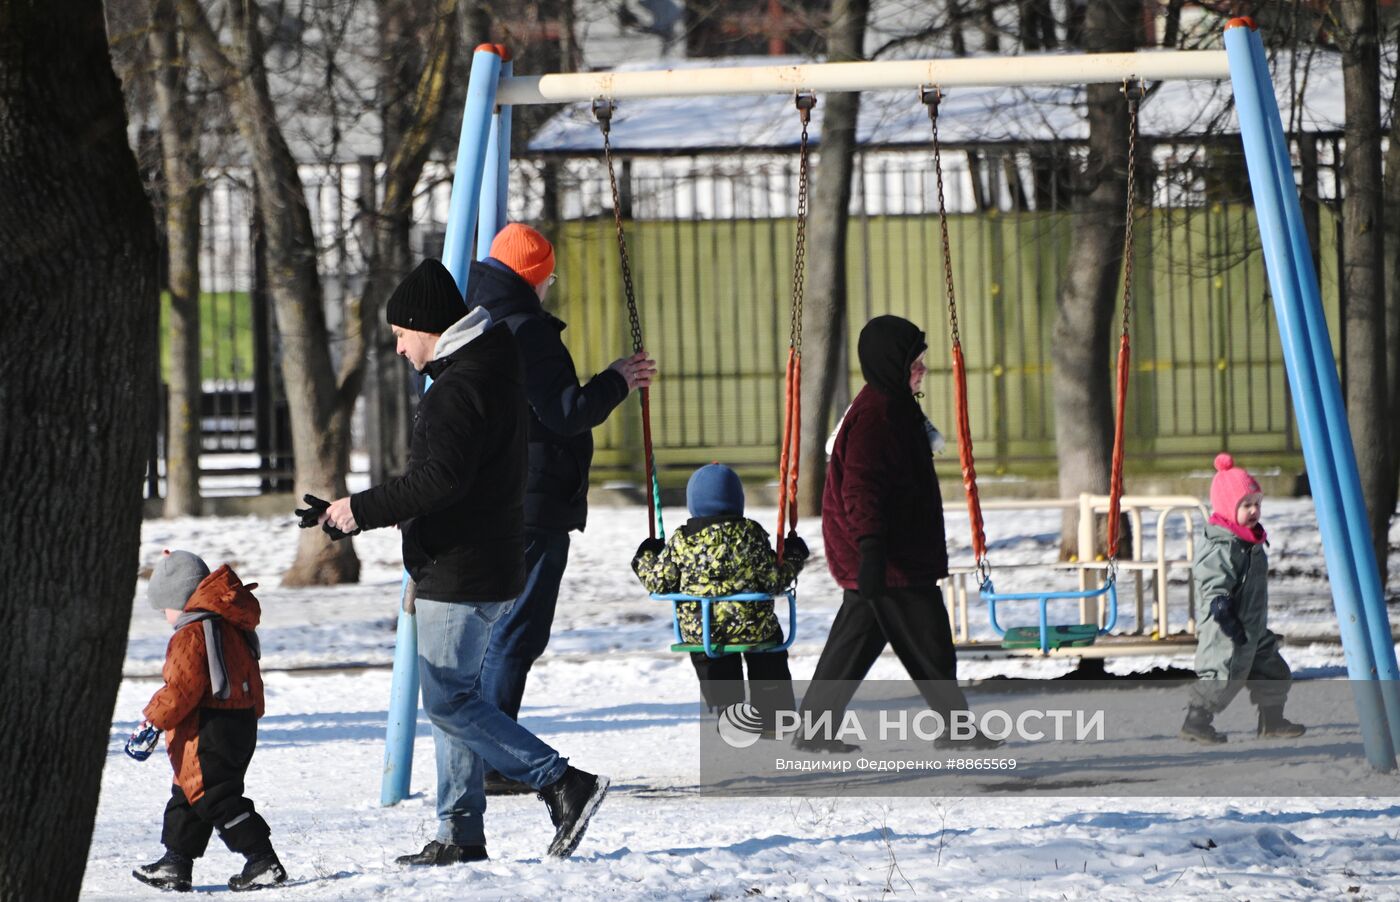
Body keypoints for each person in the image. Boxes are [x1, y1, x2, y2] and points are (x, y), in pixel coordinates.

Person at [312, 258, 608, 864]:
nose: (399, 348)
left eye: (402, 334)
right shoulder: (488, 365)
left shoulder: (460, 385)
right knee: (458, 702)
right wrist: (375, 510)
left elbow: (438, 480)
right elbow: (456, 477)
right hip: (482, 556)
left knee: (449, 701)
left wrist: (358, 510)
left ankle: (560, 781)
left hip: (462, 565)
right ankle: (460, 833)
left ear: (427, 327)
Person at [463, 223, 655, 793]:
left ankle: (484, 755)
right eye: (547, 276)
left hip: (495, 494)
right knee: (516, 631)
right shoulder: (528, 330)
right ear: (536, 277)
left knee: (495, 630)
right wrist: (616, 380)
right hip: (536, 497)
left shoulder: (477, 320)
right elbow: (566, 412)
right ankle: (495, 759)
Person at [796, 315, 998, 752]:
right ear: (892, 364)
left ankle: (814, 731)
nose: (923, 369)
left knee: (854, 645)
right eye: (915, 362)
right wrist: (870, 549)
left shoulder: (894, 406)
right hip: (889, 558)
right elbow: (861, 489)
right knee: (930, 644)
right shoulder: (878, 416)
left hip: (888, 555)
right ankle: (957, 729)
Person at [131, 550, 287, 893]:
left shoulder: (191, 633)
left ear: (180, 598)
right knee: (187, 793)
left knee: (215, 796)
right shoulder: (229, 623)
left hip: (209, 726)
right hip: (237, 722)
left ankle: (262, 860)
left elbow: (180, 689)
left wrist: (152, 722)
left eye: (164, 608)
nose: (164, 616)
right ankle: (175, 863)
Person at [632, 463, 809, 732]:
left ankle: (728, 710)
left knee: (708, 651)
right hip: (752, 628)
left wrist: (645, 556)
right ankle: (774, 712)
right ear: (738, 501)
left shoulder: (681, 540)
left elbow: (658, 582)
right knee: (768, 648)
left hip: (703, 630)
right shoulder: (751, 534)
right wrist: (794, 555)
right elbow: (774, 580)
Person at [1179, 453, 1305, 744]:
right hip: (1226, 626)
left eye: (1257, 503)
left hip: (1253, 625)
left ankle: (1272, 720)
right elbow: (1211, 579)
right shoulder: (1221, 544)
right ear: (1227, 507)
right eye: (1246, 505)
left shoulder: (1250, 540)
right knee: (1222, 673)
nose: (1254, 510)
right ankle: (1195, 721)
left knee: (1272, 669)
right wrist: (1221, 607)